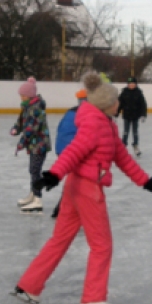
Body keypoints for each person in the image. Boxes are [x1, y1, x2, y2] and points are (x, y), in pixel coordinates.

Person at [11, 72, 152, 304]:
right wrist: (53, 175)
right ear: (107, 103)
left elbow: (125, 160)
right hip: (87, 189)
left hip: (76, 187)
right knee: (102, 245)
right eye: (116, 100)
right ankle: (93, 299)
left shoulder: (105, 124)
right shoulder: (95, 124)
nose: (119, 103)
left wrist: (150, 183)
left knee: (59, 239)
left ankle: (28, 286)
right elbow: (73, 151)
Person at [10, 77, 52, 214]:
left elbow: (31, 128)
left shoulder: (36, 108)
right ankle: (33, 194)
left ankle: (38, 199)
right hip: (34, 144)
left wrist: (21, 143)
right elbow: (21, 121)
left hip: (40, 144)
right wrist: (16, 128)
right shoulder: (27, 106)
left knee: (35, 170)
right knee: (33, 169)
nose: (21, 98)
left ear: (29, 96)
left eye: (22, 96)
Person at [51, 87, 88, 219]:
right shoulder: (85, 114)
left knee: (75, 179)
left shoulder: (71, 112)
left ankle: (63, 207)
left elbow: (61, 131)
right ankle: (64, 208)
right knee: (78, 180)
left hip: (62, 149)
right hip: (72, 151)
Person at [117, 76, 148, 156]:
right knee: (125, 132)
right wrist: (115, 113)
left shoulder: (138, 93)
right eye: (129, 83)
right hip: (126, 115)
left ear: (136, 84)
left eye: (133, 83)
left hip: (135, 115)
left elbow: (143, 105)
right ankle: (123, 146)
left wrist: (143, 115)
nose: (131, 85)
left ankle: (135, 145)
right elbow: (119, 104)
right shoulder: (124, 92)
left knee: (135, 132)